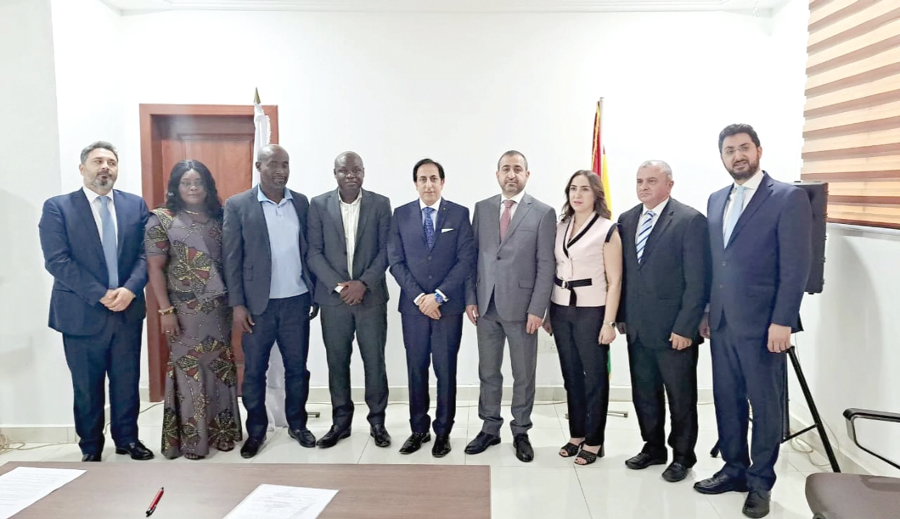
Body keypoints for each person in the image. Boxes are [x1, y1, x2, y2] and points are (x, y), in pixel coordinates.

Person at [694, 124, 812, 519]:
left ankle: (761, 482)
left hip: (765, 327)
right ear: (722, 157)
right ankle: (734, 468)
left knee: (764, 406)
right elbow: (716, 263)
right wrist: (709, 312)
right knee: (726, 400)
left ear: (759, 151)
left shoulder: (787, 198)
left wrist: (783, 321)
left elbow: (796, 267)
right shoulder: (715, 200)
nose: (737, 155)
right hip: (723, 322)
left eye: (744, 148)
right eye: (729, 150)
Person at [38, 141, 153, 462]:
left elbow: (148, 254)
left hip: (127, 310)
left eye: (112, 162)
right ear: (82, 168)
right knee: (87, 387)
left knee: (127, 381)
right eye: (98, 161)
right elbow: (57, 261)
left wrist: (130, 289)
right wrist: (101, 294)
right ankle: (90, 447)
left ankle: (127, 439)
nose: (105, 167)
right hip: (80, 312)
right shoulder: (58, 207)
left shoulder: (135, 206)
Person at [222, 144, 318, 458]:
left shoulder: (301, 203)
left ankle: (297, 424)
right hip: (255, 308)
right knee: (254, 372)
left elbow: (309, 251)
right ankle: (257, 430)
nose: (280, 171)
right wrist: (237, 304)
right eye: (273, 164)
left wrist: (314, 292)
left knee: (297, 370)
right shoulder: (238, 205)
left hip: (296, 301)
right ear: (258, 166)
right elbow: (231, 258)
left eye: (285, 164)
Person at [616, 160, 709, 481]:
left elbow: (698, 281)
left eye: (651, 181)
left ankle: (683, 456)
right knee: (645, 392)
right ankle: (653, 447)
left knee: (681, 397)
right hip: (638, 328)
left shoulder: (690, 220)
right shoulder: (627, 220)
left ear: (669, 184)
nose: (643, 187)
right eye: (639, 181)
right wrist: (621, 317)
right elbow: (623, 275)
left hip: (674, 331)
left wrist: (685, 327)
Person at [144, 160, 243, 460]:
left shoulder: (221, 217)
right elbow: (155, 269)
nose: (193, 187)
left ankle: (222, 435)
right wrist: (165, 311)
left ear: (208, 186)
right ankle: (192, 442)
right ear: (176, 187)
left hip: (218, 311)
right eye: (186, 182)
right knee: (189, 373)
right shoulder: (161, 220)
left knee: (220, 369)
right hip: (184, 312)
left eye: (198, 182)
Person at [464, 150, 556, 463]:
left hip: (522, 309)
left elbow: (546, 264)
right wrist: (470, 298)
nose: (511, 175)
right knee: (488, 371)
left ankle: (520, 430)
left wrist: (537, 308)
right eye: (506, 169)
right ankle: (490, 427)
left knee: (523, 374)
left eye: (517, 169)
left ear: (527, 175)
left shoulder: (543, 213)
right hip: (486, 305)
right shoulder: (483, 208)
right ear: (497, 174)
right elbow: (473, 257)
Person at [387, 159, 475, 457]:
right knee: (416, 369)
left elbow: (465, 260)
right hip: (413, 310)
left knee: (445, 370)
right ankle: (418, 429)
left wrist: (437, 296)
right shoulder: (400, 215)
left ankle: (443, 431)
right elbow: (396, 262)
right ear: (415, 183)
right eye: (422, 179)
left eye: (433, 178)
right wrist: (420, 299)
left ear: (442, 182)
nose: (428, 184)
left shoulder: (460, 214)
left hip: (447, 309)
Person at [306, 151, 393, 449]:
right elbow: (313, 252)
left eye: (356, 170)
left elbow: (386, 251)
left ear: (364, 172)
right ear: (335, 173)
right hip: (335, 301)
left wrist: (364, 283)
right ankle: (340, 423)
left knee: (374, 361)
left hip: (371, 298)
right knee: (337, 362)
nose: (351, 175)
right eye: (344, 170)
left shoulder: (381, 204)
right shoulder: (318, 205)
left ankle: (378, 422)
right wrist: (339, 286)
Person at [543, 169, 622, 466]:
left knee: (595, 378)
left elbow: (615, 281)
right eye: (573, 189)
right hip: (561, 307)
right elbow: (554, 269)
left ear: (596, 194)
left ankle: (594, 439)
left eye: (585, 189)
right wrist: (550, 311)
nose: (577, 195)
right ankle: (576, 434)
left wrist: (608, 322)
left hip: (593, 310)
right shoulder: (560, 226)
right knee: (571, 375)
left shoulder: (607, 229)